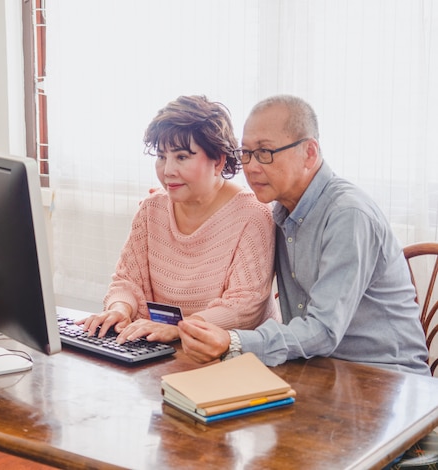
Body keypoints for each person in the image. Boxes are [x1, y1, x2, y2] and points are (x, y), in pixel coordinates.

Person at [178, 94, 430, 376]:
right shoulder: (280, 210)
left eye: (265, 153)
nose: (251, 167)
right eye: (246, 153)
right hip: (317, 369)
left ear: (309, 153)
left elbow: (322, 330)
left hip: (385, 378)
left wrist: (234, 341)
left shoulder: (348, 215)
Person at [77, 95, 281, 343]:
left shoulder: (254, 214)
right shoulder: (152, 209)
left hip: (234, 360)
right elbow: (127, 281)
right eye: (161, 156)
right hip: (163, 350)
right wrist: (120, 309)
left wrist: (181, 329)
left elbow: (244, 307)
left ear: (218, 161)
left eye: (182, 157)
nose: (168, 170)